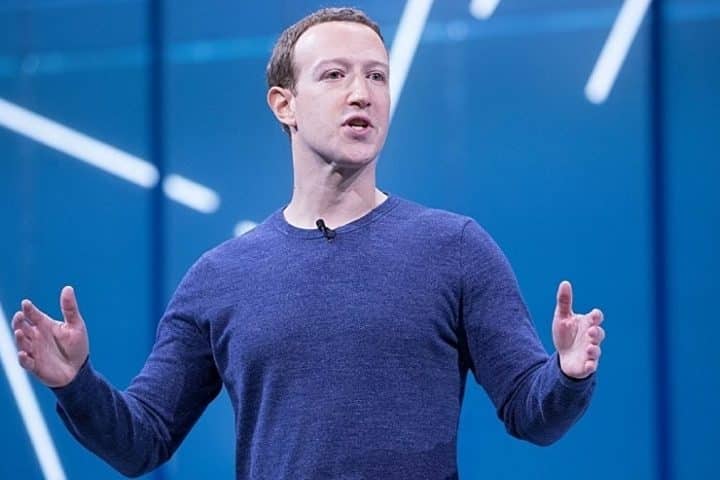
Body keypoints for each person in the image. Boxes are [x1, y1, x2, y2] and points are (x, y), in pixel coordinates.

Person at [11, 7, 606, 479]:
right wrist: (74, 383)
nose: (361, 93)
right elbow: (143, 440)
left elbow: (531, 413)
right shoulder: (221, 276)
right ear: (285, 105)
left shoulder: (455, 248)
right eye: (335, 75)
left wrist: (567, 374)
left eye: (377, 76)